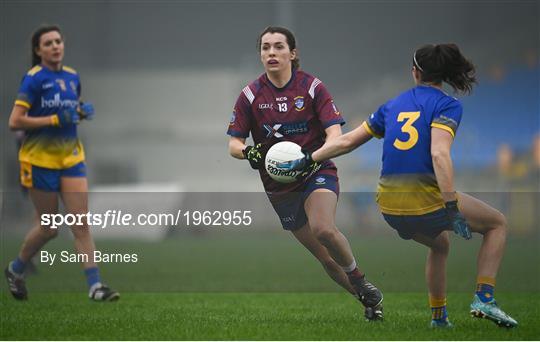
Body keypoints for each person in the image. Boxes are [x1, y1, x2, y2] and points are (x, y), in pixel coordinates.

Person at [280, 43, 518, 328]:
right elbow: (439, 155)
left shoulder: (392, 105)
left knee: (440, 245)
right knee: (497, 224)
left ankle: (439, 320)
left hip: (390, 205)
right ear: (442, 74)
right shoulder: (447, 105)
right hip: (426, 199)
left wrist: (308, 159)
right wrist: (452, 205)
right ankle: (485, 298)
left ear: (415, 72)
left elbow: (344, 142)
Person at [227, 26, 383, 320]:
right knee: (326, 260)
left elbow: (335, 135)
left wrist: (313, 157)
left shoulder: (312, 88)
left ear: (292, 53)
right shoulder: (249, 95)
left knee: (323, 229)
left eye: (278, 46)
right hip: (279, 188)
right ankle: (369, 300)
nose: (271, 52)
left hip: (316, 171)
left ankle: (360, 280)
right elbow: (234, 144)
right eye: (265, 48)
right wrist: (249, 152)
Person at [5, 25, 119, 302]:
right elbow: (15, 121)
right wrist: (54, 120)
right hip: (39, 159)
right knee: (50, 227)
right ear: (38, 50)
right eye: (48, 43)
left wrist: (80, 111)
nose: (55, 46)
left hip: (71, 157)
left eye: (58, 41)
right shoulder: (33, 79)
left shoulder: (71, 77)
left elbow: (69, 111)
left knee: (80, 223)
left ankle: (95, 286)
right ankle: (15, 268)